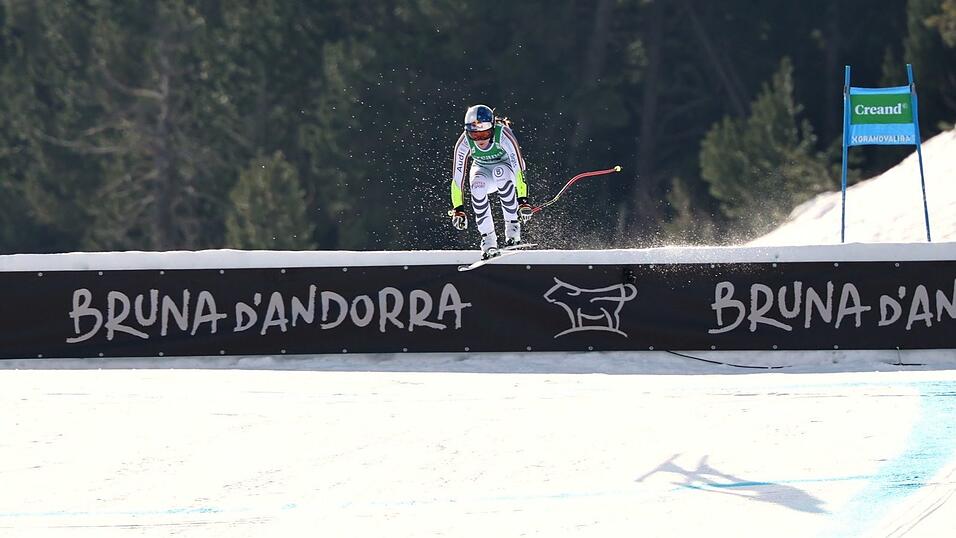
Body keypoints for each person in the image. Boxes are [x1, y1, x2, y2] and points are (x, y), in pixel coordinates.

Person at [449, 104, 533, 259]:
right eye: (475, 135)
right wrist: (458, 209)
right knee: (477, 186)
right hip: (482, 169)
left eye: (485, 134)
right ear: (468, 132)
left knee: (500, 172)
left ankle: (513, 231)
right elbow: (457, 179)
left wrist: (523, 201)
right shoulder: (464, 141)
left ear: (493, 128)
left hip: (507, 168)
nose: (480, 139)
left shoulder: (503, 135)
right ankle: (488, 241)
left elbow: (519, 169)